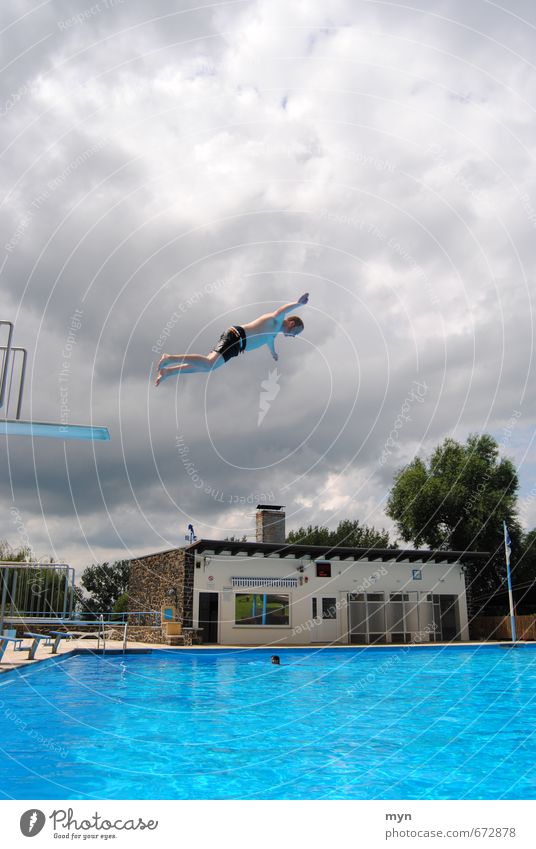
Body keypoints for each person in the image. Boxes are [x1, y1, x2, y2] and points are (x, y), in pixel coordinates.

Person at [155, 293, 309, 385]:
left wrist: (273, 353)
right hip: (236, 336)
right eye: (296, 332)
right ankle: (170, 358)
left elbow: (269, 341)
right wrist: (297, 303)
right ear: (291, 323)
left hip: (237, 345)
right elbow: (281, 310)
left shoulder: (274, 332)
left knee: (209, 366)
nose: (294, 336)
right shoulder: (275, 320)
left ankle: (169, 372)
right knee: (209, 364)